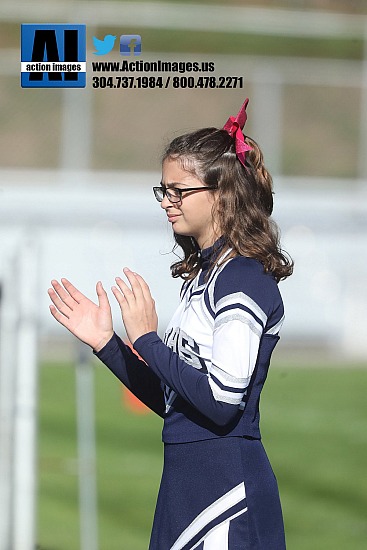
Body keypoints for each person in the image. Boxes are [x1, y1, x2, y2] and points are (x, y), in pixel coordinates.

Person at [48, 98, 293, 549]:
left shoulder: (242, 279)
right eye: (164, 190)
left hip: (226, 493)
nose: (168, 202)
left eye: (180, 190)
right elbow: (175, 402)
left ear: (221, 193)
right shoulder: (206, 275)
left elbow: (222, 401)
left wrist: (148, 339)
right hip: (187, 487)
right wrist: (109, 344)